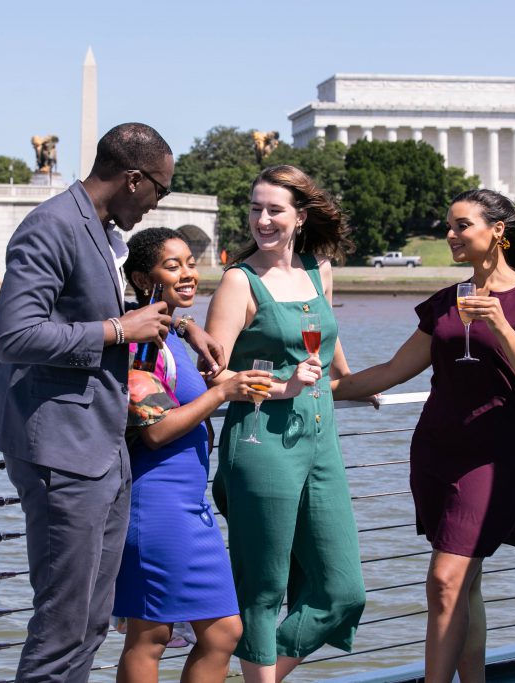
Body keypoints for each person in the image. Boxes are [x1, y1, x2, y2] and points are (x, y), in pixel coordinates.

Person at [0, 123, 225, 683]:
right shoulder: (52, 227)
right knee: (64, 627)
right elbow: (15, 337)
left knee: (89, 622)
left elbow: (102, 308)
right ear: (133, 179)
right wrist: (117, 329)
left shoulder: (99, 232)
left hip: (100, 452)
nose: (159, 202)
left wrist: (179, 328)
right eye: (159, 188)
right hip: (63, 453)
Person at [333, 188, 515, 683]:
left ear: (498, 232)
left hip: (492, 457)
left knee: (445, 582)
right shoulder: (446, 303)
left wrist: (501, 326)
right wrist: (313, 388)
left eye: (462, 225)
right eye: (448, 225)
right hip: (435, 453)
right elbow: (389, 371)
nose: (450, 234)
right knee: (464, 587)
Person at [204, 165, 367, 682]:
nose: (263, 220)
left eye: (275, 209)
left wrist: (363, 386)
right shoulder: (239, 281)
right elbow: (215, 374)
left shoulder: (320, 271)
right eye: (256, 209)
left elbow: (334, 360)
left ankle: (263, 673)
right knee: (263, 589)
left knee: (342, 592)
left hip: (322, 444)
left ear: (300, 216)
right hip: (259, 444)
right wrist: (282, 387)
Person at [113, 227, 271, 683]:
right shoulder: (140, 345)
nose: (188, 274)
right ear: (145, 277)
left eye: (189, 262)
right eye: (172, 265)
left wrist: (186, 326)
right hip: (156, 503)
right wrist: (223, 393)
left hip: (187, 502)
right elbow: (158, 430)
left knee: (221, 632)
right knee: (151, 636)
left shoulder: (166, 334)